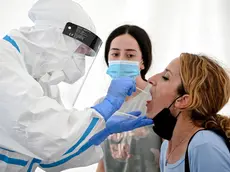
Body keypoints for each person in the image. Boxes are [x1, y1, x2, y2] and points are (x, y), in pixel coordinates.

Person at [0, 0, 153, 171]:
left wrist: (100, 131)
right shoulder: (3, 62)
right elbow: (38, 130)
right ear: (55, 35)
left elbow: (51, 159)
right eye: (80, 51)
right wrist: (104, 110)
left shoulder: (43, 83)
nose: (80, 65)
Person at [147, 53, 230, 172]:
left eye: (165, 77)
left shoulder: (204, 146)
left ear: (183, 100)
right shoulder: (166, 147)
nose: (151, 79)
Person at [96, 25, 161, 172]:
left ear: (142, 61)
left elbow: (170, 157)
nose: (121, 60)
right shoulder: (102, 105)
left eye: (130, 55)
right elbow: (103, 161)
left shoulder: (157, 99)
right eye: (115, 54)